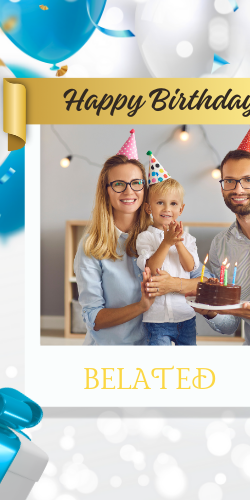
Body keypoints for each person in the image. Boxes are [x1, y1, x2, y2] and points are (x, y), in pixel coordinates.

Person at [145, 125, 250, 346]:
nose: (238, 189)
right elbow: (229, 325)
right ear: (222, 188)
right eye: (229, 181)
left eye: (248, 180)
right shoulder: (221, 244)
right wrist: (210, 312)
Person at [74, 130, 154, 345]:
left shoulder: (159, 239)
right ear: (106, 191)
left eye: (137, 183)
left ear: (145, 189)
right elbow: (94, 319)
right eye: (119, 184)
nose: (129, 191)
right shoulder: (92, 246)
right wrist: (141, 306)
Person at [136, 151, 199, 346]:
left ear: (181, 209)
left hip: (185, 315)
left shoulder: (187, 238)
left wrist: (178, 242)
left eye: (173, 204)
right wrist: (166, 242)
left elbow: (190, 267)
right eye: (160, 203)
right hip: (156, 319)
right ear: (148, 208)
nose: (167, 209)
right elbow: (151, 268)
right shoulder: (145, 237)